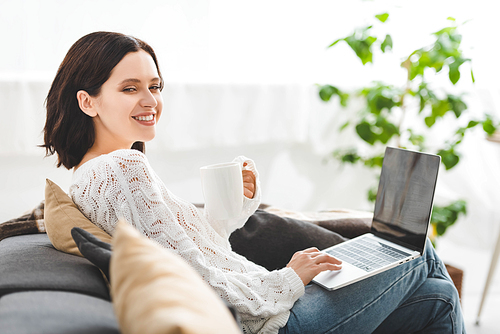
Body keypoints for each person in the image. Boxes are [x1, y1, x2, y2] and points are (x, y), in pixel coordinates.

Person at [42, 31, 465, 334]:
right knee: (414, 247)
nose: (151, 101)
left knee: (438, 299)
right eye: (130, 88)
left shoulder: (92, 174)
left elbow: (193, 249)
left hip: (265, 310)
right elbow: (196, 273)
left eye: (154, 86)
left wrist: (233, 210)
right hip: (272, 321)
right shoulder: (121, 169)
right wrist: (289, 278)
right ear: (87, 100)